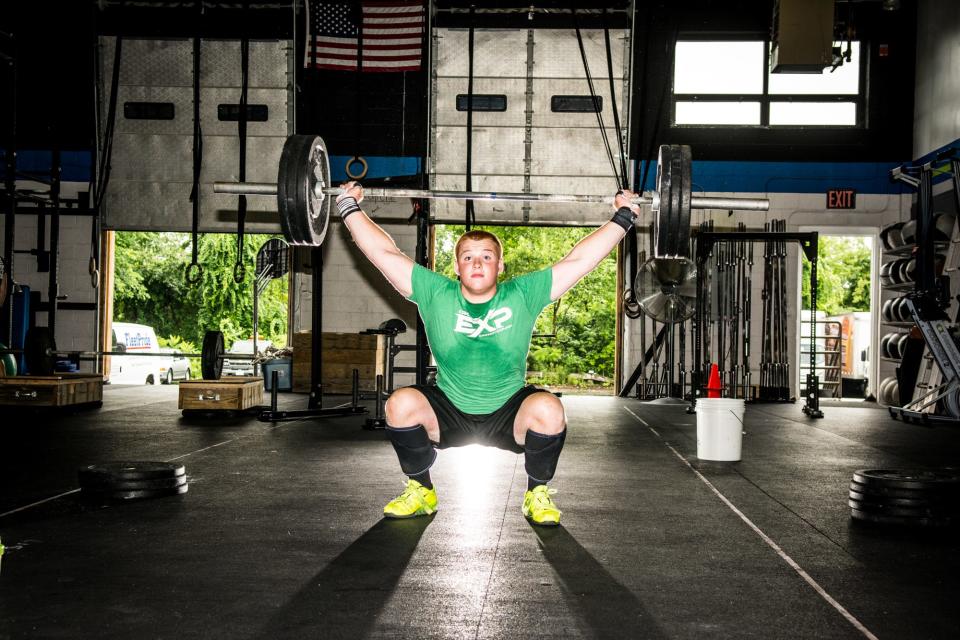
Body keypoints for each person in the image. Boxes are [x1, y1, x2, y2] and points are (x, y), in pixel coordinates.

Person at [336, 182, 640, 526]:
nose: (477, 263)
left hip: (508, 413)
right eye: (467, 257)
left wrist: (624, 216)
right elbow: (383, 253)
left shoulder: (523, 293)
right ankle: (421, 490)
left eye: (486, 257)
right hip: (448, 410)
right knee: (400, 404)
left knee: (550, 409)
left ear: (500, 265)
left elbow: (580, 259)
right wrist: (348, 207)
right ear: (457, 267)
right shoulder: (436, 292)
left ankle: (536, 494)